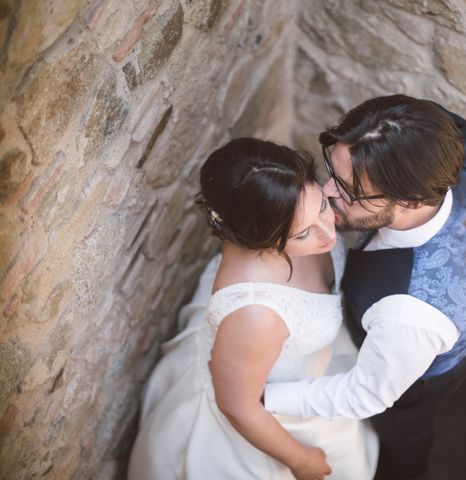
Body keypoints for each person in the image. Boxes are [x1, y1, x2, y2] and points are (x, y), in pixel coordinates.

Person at [263, 94, 466, 479]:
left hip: (418, 385)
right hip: (451, 324)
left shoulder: (407, 316)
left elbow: (365, 395)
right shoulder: (446, 149)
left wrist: (268, 397)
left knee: (406, 442)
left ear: (409, 200)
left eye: (349, 190)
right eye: (332, 169)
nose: (326, 192)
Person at [128, 138, 378, 480]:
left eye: (321, 205)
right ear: (259, 241)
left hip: (305, 373)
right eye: (303, 234)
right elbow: (238, 404)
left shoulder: (282, 208)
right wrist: (301, 460)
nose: (329, 231)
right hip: (267, 412)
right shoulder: (255, 314)